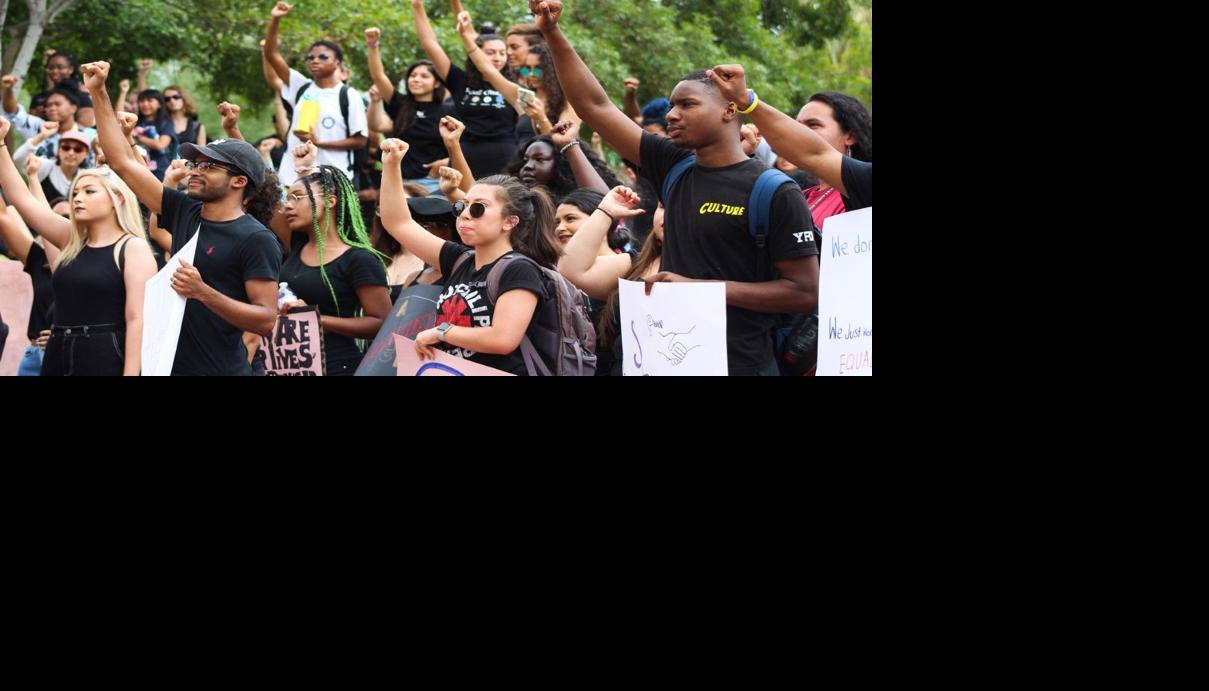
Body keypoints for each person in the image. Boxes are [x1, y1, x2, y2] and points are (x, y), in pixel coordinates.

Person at [533, 0, 820, 375]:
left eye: (686, 104)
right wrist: (552, 33)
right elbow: (594, 105)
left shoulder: (774, 191)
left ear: (730, 110)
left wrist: (700, 288)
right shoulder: (674, 163)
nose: (671, 115)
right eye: (671, 105)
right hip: (663, 361)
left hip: (742, 365)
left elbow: (804, 292)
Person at [84, 59, 283, 376]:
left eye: (208, 166)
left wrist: (202, 292)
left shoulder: (256, 238)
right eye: (196, 164)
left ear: (239, 181)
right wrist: (99, 93)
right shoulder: (184, 210)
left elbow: (265, 319)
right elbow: (122, 161)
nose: (195, 171)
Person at [379, 137, 561, 375]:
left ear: (509, 221)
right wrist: (391, 165)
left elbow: (503, 339)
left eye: (478, 209)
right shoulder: (458, 259)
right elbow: (398, 222)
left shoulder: (520, 269)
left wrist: (441, 332)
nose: (465, 215)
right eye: (461, 207)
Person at [0, 116, 157, 376]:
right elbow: (21, 198)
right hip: (57, 351)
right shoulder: (69, 238)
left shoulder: (133, 248)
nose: (78, 199)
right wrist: (1, 146)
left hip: (105, 354)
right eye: (75, 193)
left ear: (117, 198)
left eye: (89, 192)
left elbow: (137, 319)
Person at [276, 148, 391, 376]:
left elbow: (381, 322)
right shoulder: (296, 245)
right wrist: (301, 169)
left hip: (338, 366)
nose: (288, 205)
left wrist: (317, 319)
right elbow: (263, 198)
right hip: (289, 365)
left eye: (297, 197)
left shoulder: (359, 259)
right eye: (288, 198)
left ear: (330, 201)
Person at [705, 64, 872, 211]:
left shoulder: (866, 183)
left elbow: (813, 154)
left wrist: (746, 101)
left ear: (850, 136)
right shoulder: (795, 191)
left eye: (813, 125)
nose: (801, 132)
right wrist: (740, 155)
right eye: (797, 125)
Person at [264, 2, 368, 187]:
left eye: (323, 57)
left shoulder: (348, 95)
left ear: (337, 63)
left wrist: (319, 143)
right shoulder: (300, 87)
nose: (315, 61)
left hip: (332, 179)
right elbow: (271, 54)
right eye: (310, 57)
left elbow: (360, 141)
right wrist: (275, 19)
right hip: (293, 178)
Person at [412, 0, 516, 179]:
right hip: (465, 158)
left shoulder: (514, 82)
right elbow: (431, 44)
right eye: (490, 53)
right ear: (475, 53)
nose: (498, 58)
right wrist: (417, 5)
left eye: (502, 52)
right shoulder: (461, 81)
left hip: (505, 159)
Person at [456, 11, 575, 140]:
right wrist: (464, 35)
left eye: (514, 47)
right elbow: (487, 69)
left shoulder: (568, 100)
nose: (508, 53)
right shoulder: (525, 94)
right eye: (528, 68)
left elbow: (563, 144)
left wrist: (541, 119)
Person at [365, 26, 454, 194]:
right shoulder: (400, 104)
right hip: (398, 180)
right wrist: (372, 44)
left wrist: (447, 161)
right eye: (413, 76)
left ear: (436, 83)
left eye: (424, 76)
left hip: (433, 183)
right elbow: (378, 75)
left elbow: (463, 145)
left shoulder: (447, 111)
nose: (416, 80)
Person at [134, 89, 178, 181]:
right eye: (142, 101)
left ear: (159, 104)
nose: (145, 104)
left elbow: (160, 145)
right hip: (137, 170)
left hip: (161, 172)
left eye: (150, 101)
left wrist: (138, 137)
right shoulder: (135, 122)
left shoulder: (166, 124)